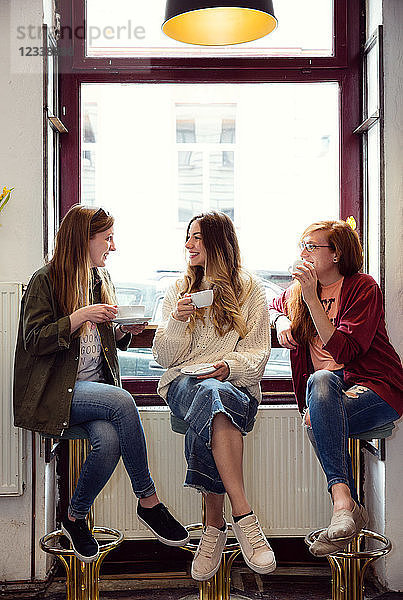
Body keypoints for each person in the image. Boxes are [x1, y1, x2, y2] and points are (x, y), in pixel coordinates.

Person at [13, 205, 189, 564]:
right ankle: (148, 500)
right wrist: (80, 316)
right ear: (84, 240)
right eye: (107, 238)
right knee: (123, 401)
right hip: (55, 393)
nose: (113, 245)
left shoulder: (99, 280)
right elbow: (34, 340)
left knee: (108, 439)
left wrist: (124, 329)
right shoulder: (44, 280)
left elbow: (103, 339)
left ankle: (74, 517)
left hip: (92, 392)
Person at [152, 211, 276, 581]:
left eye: (196, 238)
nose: (187, 244)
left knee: (210, 404)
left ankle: (214, 527)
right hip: (182, 384)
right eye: (187, 237)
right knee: (207, 395)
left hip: (233, 386)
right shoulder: (178, 290)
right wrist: (177, 318)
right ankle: (244, 515)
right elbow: (163, 358)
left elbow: (258, 355)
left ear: (218, 243)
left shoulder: (250, 290)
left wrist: (227, 366)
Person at [269, 220, 403, 556]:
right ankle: (345, 506)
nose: (303, 253)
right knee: (322, 387)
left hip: (376, 389)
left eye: (311, 246)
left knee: (321, 386)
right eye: (302, 245)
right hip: (328, 395)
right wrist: (281, 319)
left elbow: (345, 350)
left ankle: (345, 507)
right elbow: (272, 304)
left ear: (336, 254)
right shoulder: (296, 294)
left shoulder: (363, 288)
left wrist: (313, 299)